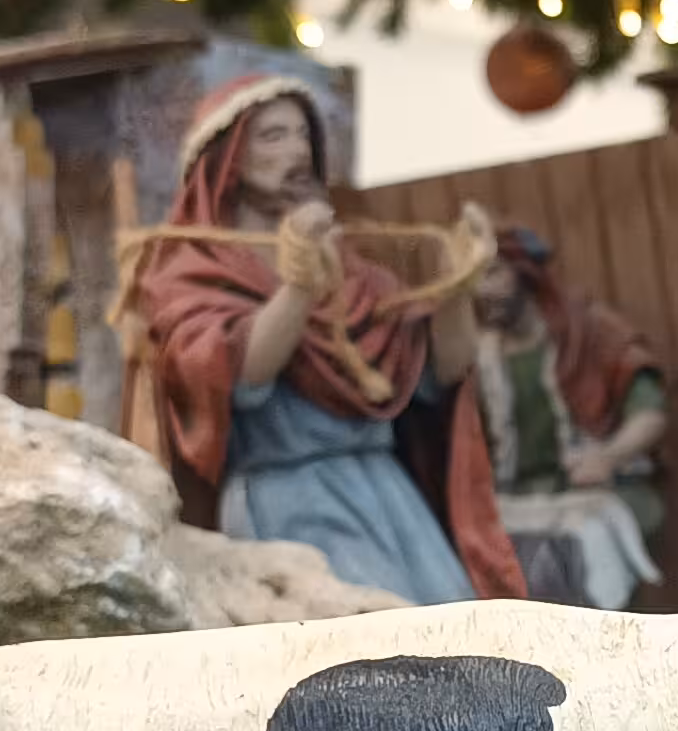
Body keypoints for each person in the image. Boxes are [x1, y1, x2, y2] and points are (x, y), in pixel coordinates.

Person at [127, 79, 520, 607]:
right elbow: (237, 377)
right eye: (272, 136)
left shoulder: (357, 273)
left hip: (388, 496)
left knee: (454, 626)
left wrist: (457, 287)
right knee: (372, 648)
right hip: (290, 500)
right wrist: (299, 288)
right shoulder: (192, 269)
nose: (297, 151)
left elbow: (437, 378)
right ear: (225, 159)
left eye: (301, 135)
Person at [470, 223, 669, 608]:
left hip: (598, 493)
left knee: (566, 559)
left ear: (524, 272)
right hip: (515, 502)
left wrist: (608, 457)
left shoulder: (588, 330)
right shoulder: (476, 359)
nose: (482, 290)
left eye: (493, 273)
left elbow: (650, 412)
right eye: (474, 279)